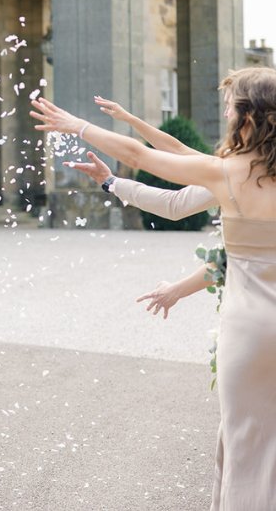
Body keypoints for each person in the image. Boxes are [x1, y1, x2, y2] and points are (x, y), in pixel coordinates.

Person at [32, 68, 276, 511]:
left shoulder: (227, 174)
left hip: (249, 331)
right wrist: (127, 132)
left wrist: (78, 125)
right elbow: (175, 162)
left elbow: (145, 160)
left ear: (249, 118)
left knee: (244, 441)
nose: (224, 111)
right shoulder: (228, 171)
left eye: (231, 105)